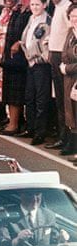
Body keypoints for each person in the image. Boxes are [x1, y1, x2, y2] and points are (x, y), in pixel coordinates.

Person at [0, 0, 31, 136]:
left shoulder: (23, 13)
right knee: (2, 89)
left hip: (13, 58)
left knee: (14, 88)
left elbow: (27, 33)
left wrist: (20, 43)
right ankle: (6, 118)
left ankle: (14, 123)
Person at [19, 0, 52, 145]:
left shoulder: (47, 21)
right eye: (32, 4)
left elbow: (46, 46)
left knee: (41, 99)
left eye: (38, 4)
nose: (34, 7)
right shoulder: (31, 18)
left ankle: (40, 132)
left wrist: (38, 59)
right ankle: (30, 127)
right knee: (29, 97)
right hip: (30, 62)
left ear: (44, 5)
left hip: (41, 64)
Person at [0, 191, 68, 246]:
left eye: (37, 194)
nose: (35, 199)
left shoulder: (48, 215)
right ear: (21, 195)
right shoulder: (6, 216)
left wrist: (61, 240)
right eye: (30, 195)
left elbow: (54, 242)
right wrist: (17, 240)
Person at [45, 0, 71, 151]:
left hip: (62, 55)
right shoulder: (57, 7)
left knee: (64, 99)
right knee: (59, 99)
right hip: (55, 53)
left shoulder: (67, 7)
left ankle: (67, 138)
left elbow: (71, 30)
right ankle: (62, 136)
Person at [59, 3, 77, 157]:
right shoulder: (71, 33)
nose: (75, 19)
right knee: (71, 112)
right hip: (70, 79)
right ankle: (72, 144)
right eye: (72, 17)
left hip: (73, 77)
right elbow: (64, 54)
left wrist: (67, 68)